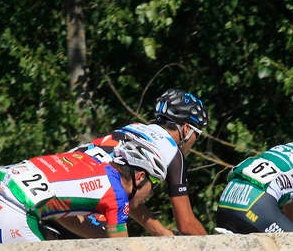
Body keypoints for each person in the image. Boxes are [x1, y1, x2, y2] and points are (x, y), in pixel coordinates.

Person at [60, 88, 210, 237]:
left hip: (60, 174)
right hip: (80, 197)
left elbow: (127, 193)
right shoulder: (173, 154)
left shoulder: (134, 128)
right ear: (186, 129)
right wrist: (217, 247)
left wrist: (162, 232)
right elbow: (186, 224)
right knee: (117, 247)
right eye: (197, 135)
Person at [0, 136, 167, 243]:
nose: (150, 194)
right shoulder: (117, 196)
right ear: (140, 177)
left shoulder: (89, 162)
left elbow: (64, 216)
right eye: (154, 185)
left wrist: (103, 238)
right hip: (15, 214)